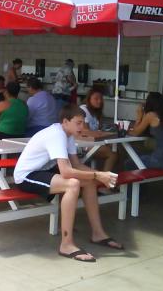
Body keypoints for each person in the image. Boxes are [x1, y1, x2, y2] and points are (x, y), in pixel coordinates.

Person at [14, 104, 123, 262]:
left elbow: (76, 165)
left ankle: (98, 233)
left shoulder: (68, 135)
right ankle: (66, 244)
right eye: (78, 123)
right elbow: (66, 171)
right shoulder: (57, 134)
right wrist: (99, 174)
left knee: (89, 182)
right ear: (65, 121)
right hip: (25, 176)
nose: (82, 127)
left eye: (83, 122)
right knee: (72, 184)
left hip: (44, 171)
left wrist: (100, 177)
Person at [127, 92, 163, 169]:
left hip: (160, 161)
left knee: (129, 163)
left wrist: (139, 114)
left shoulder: (151, 115)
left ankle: (137, 178)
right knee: (140, 156)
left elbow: (135, 133)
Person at [80, 89, 118, 175]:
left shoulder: (96, 112)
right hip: (82, 144)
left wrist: (107, 131)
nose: (99, 101)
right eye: (96, 98)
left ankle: (111, 177)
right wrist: (106, 134)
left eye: (101, 98)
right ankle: (104, 179)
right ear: (89, 99)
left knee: (116, 149)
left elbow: (99, 129)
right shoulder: (83, 110)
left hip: (94, 142)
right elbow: (86, 132)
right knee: (113, 154)